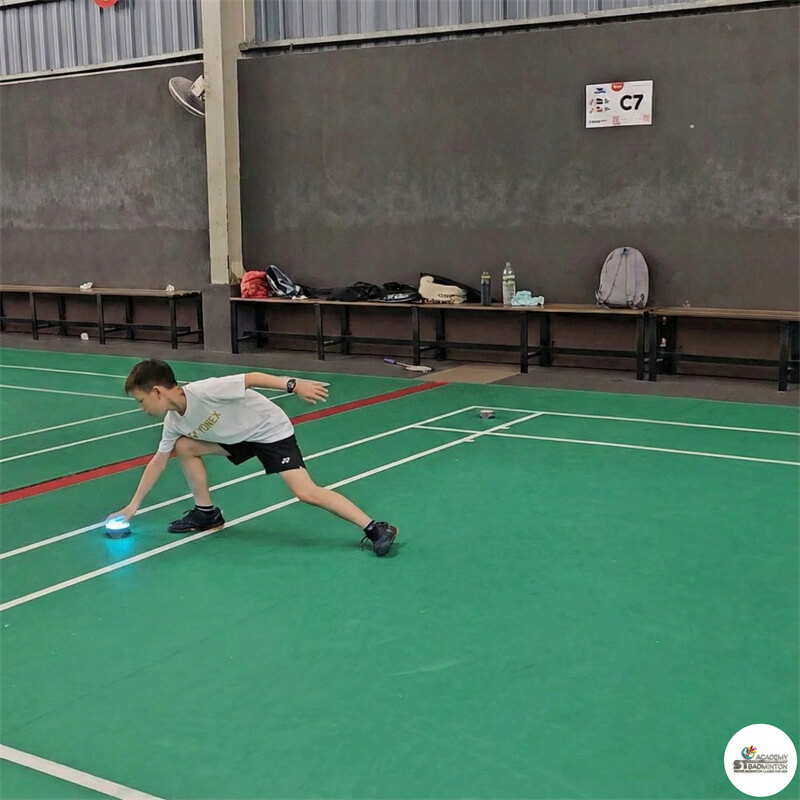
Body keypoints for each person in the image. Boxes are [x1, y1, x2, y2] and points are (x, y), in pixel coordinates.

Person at [107, 359, 398, 556]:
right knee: (183, 447)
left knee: (305, 492)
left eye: (141, 401)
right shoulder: (174, 422)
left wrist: (293, 385)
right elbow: (158, 461)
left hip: (269, 431)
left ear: (157, 391)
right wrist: (133, 506)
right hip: (237, 439)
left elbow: (252, 379)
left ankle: (375, 528)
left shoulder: (205, 391)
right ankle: (206, 514)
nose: (142, 408)